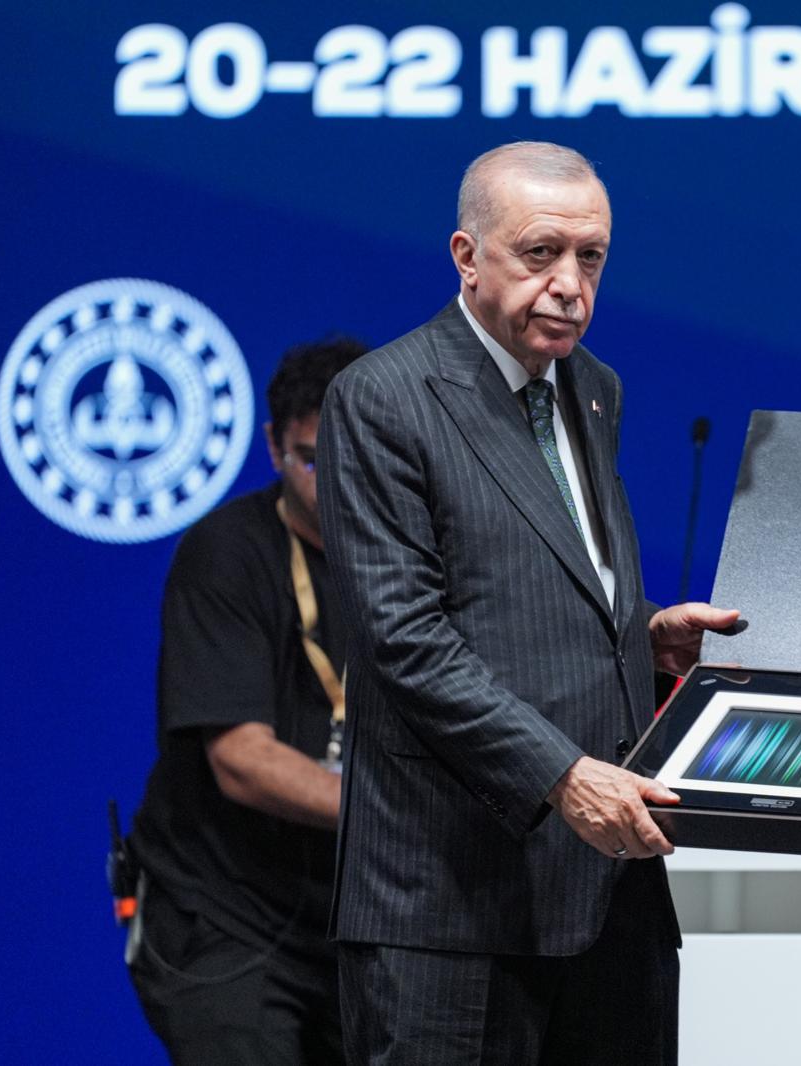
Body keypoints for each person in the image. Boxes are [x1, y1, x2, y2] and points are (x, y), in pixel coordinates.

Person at [316, 141, 738, 1066]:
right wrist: (561, 773)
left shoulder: (595, 388)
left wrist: (642, 634)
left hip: (609, 896)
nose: (570, 286)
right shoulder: (382, 398)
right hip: (452, 901)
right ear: (467, 257)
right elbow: (404, 639)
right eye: (541, 253)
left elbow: (535, 582)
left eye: (591, 258)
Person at [126, 336, 368, 1064]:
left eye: (354, 457)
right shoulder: (227, 553)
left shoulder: (420, 556)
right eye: (312, 461)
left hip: (357, 919)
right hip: (225, 913)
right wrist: (393, 813)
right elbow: (241, 761)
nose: (334, 483)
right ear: (273, 447)